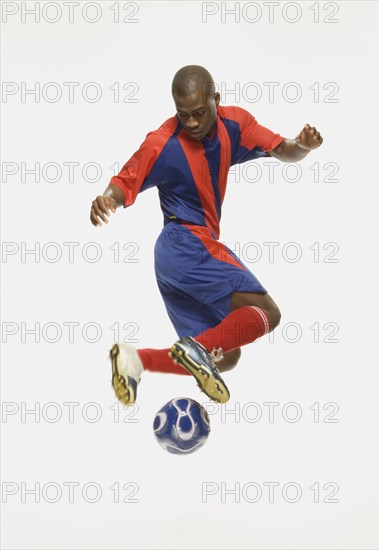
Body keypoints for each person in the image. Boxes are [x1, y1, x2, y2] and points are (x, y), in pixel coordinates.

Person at [90, 65, 323, 405]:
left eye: (200, 113)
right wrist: (107, 199)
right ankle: (194, 349)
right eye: (184, 115)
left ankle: (137, 360)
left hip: (174, 260)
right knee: (268, 314)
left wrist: (303, 145)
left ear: (217, 98)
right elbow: (126, 179)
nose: (193, 123)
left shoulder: (235, 125)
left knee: (225, 356)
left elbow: (283, 149)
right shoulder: (163, 143)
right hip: (185, 243)